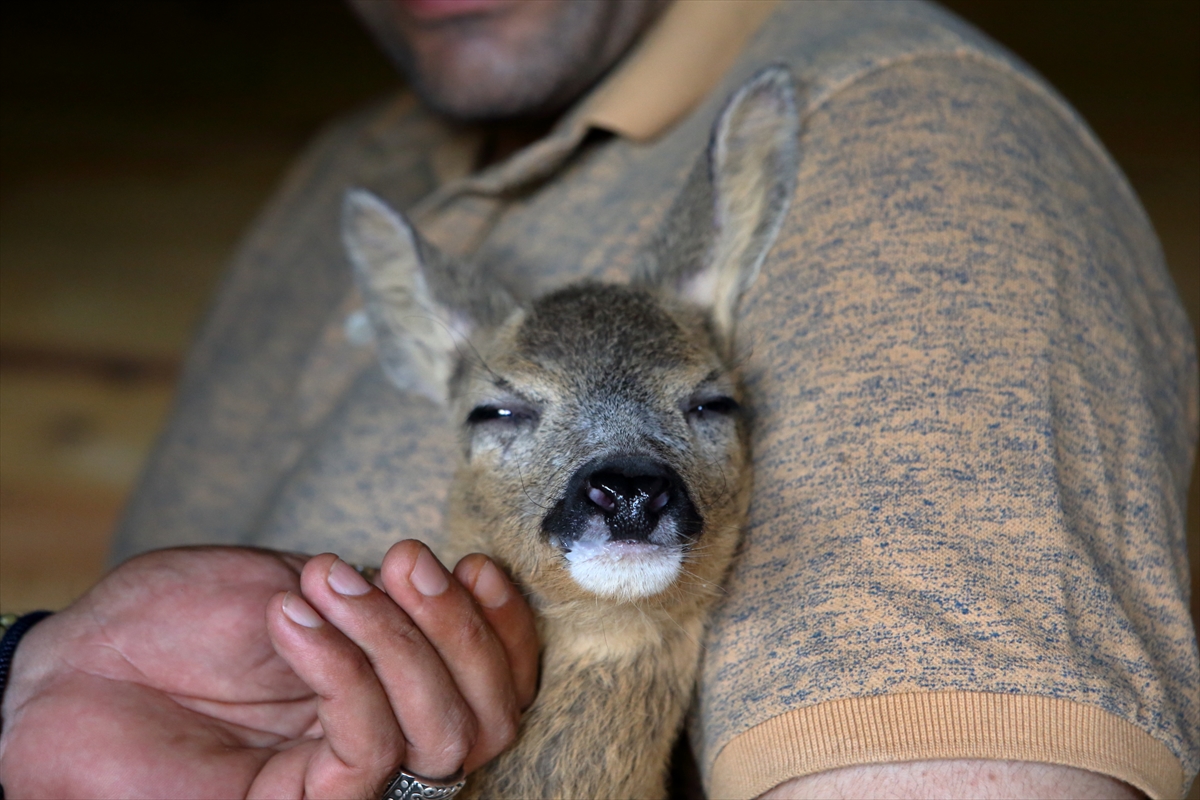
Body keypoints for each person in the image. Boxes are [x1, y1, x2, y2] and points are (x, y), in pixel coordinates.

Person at [1, 0, 1196, 797]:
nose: (622, 475)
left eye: (703, 411)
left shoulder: (910, 139)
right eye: (507, 416)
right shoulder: (352, 166)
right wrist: (20, 679)